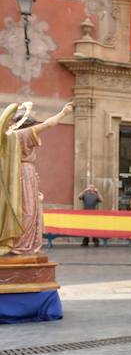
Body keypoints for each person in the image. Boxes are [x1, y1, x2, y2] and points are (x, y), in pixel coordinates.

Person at [0, 101, 73, 255]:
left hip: (17, 173)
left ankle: (17, 241)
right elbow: (48, 123)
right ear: (27, 124)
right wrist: (64, 113)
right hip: (25, 172)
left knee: (21, 208)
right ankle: (22, 243)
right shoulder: (24, 133)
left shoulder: (10, 136)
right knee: (28, 209)